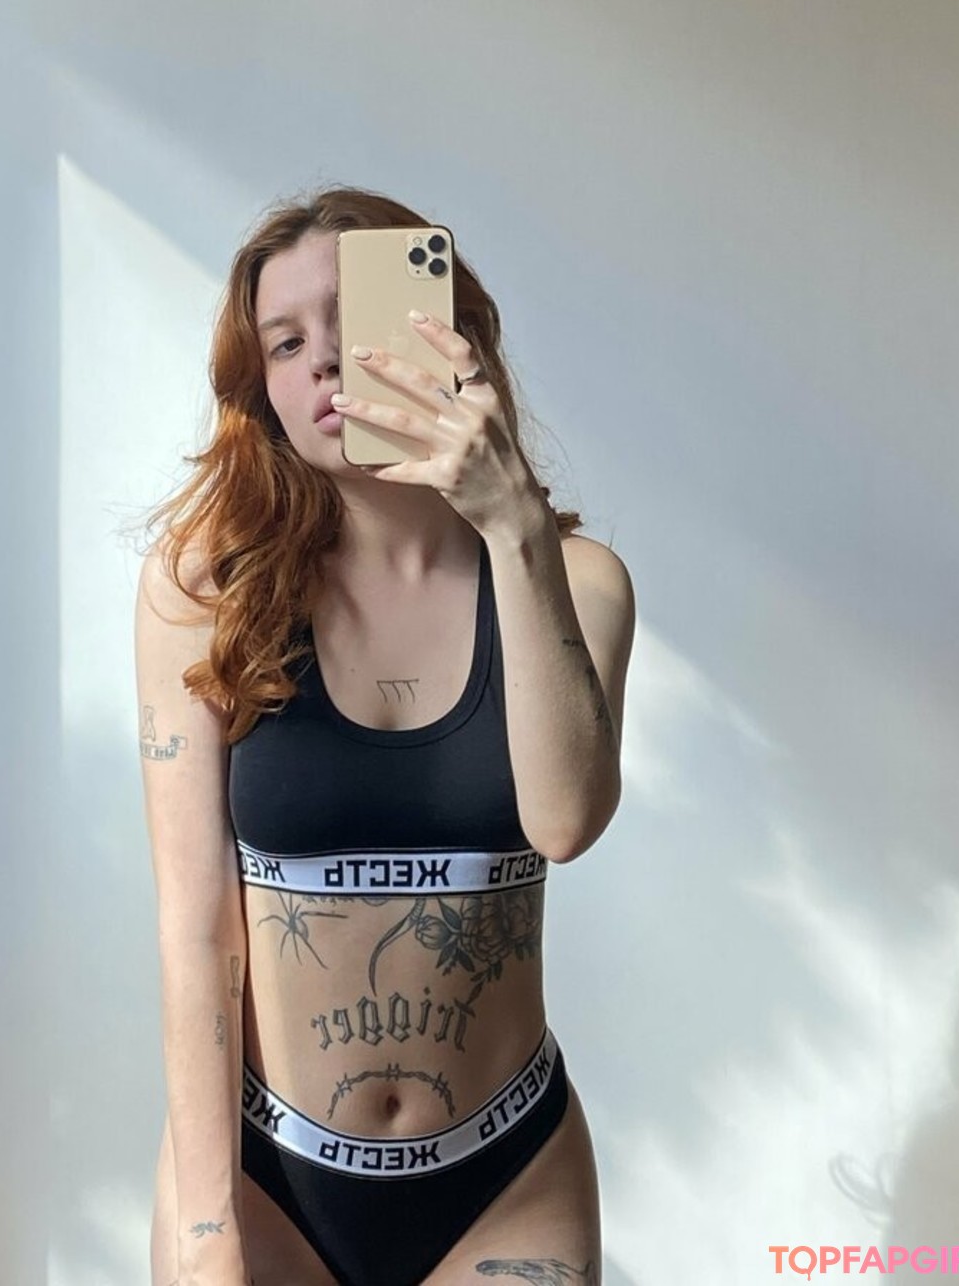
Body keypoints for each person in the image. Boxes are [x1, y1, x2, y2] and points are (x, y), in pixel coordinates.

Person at [135, 186, 636, 1286]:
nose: (323, 359)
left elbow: (564, 821)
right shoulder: (208, 591)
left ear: (453, 337)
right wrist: (209, 1231)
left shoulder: (577, 581)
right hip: (261, 1178)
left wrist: (513, 525)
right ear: (262, 388)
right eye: (285, 341)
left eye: (350, 321)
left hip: (506, 1177)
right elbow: (195, 929)